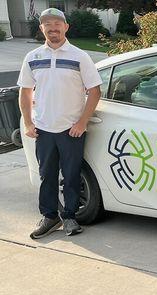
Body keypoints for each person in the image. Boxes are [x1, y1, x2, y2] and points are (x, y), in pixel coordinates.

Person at [17, 8, 102, 239]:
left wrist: (82, 122)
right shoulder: (33, 57)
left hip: (70, 129)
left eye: (57, 24)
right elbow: (25, 93)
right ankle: (49, 216)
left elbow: (95, 91)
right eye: (47, 24)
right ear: (41, 29)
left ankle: (71, 217)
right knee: (47, 175)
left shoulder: (79, 56)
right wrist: (28, 122)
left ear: (66, 27)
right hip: (43, 128)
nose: (52, 28)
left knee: (72, 174)